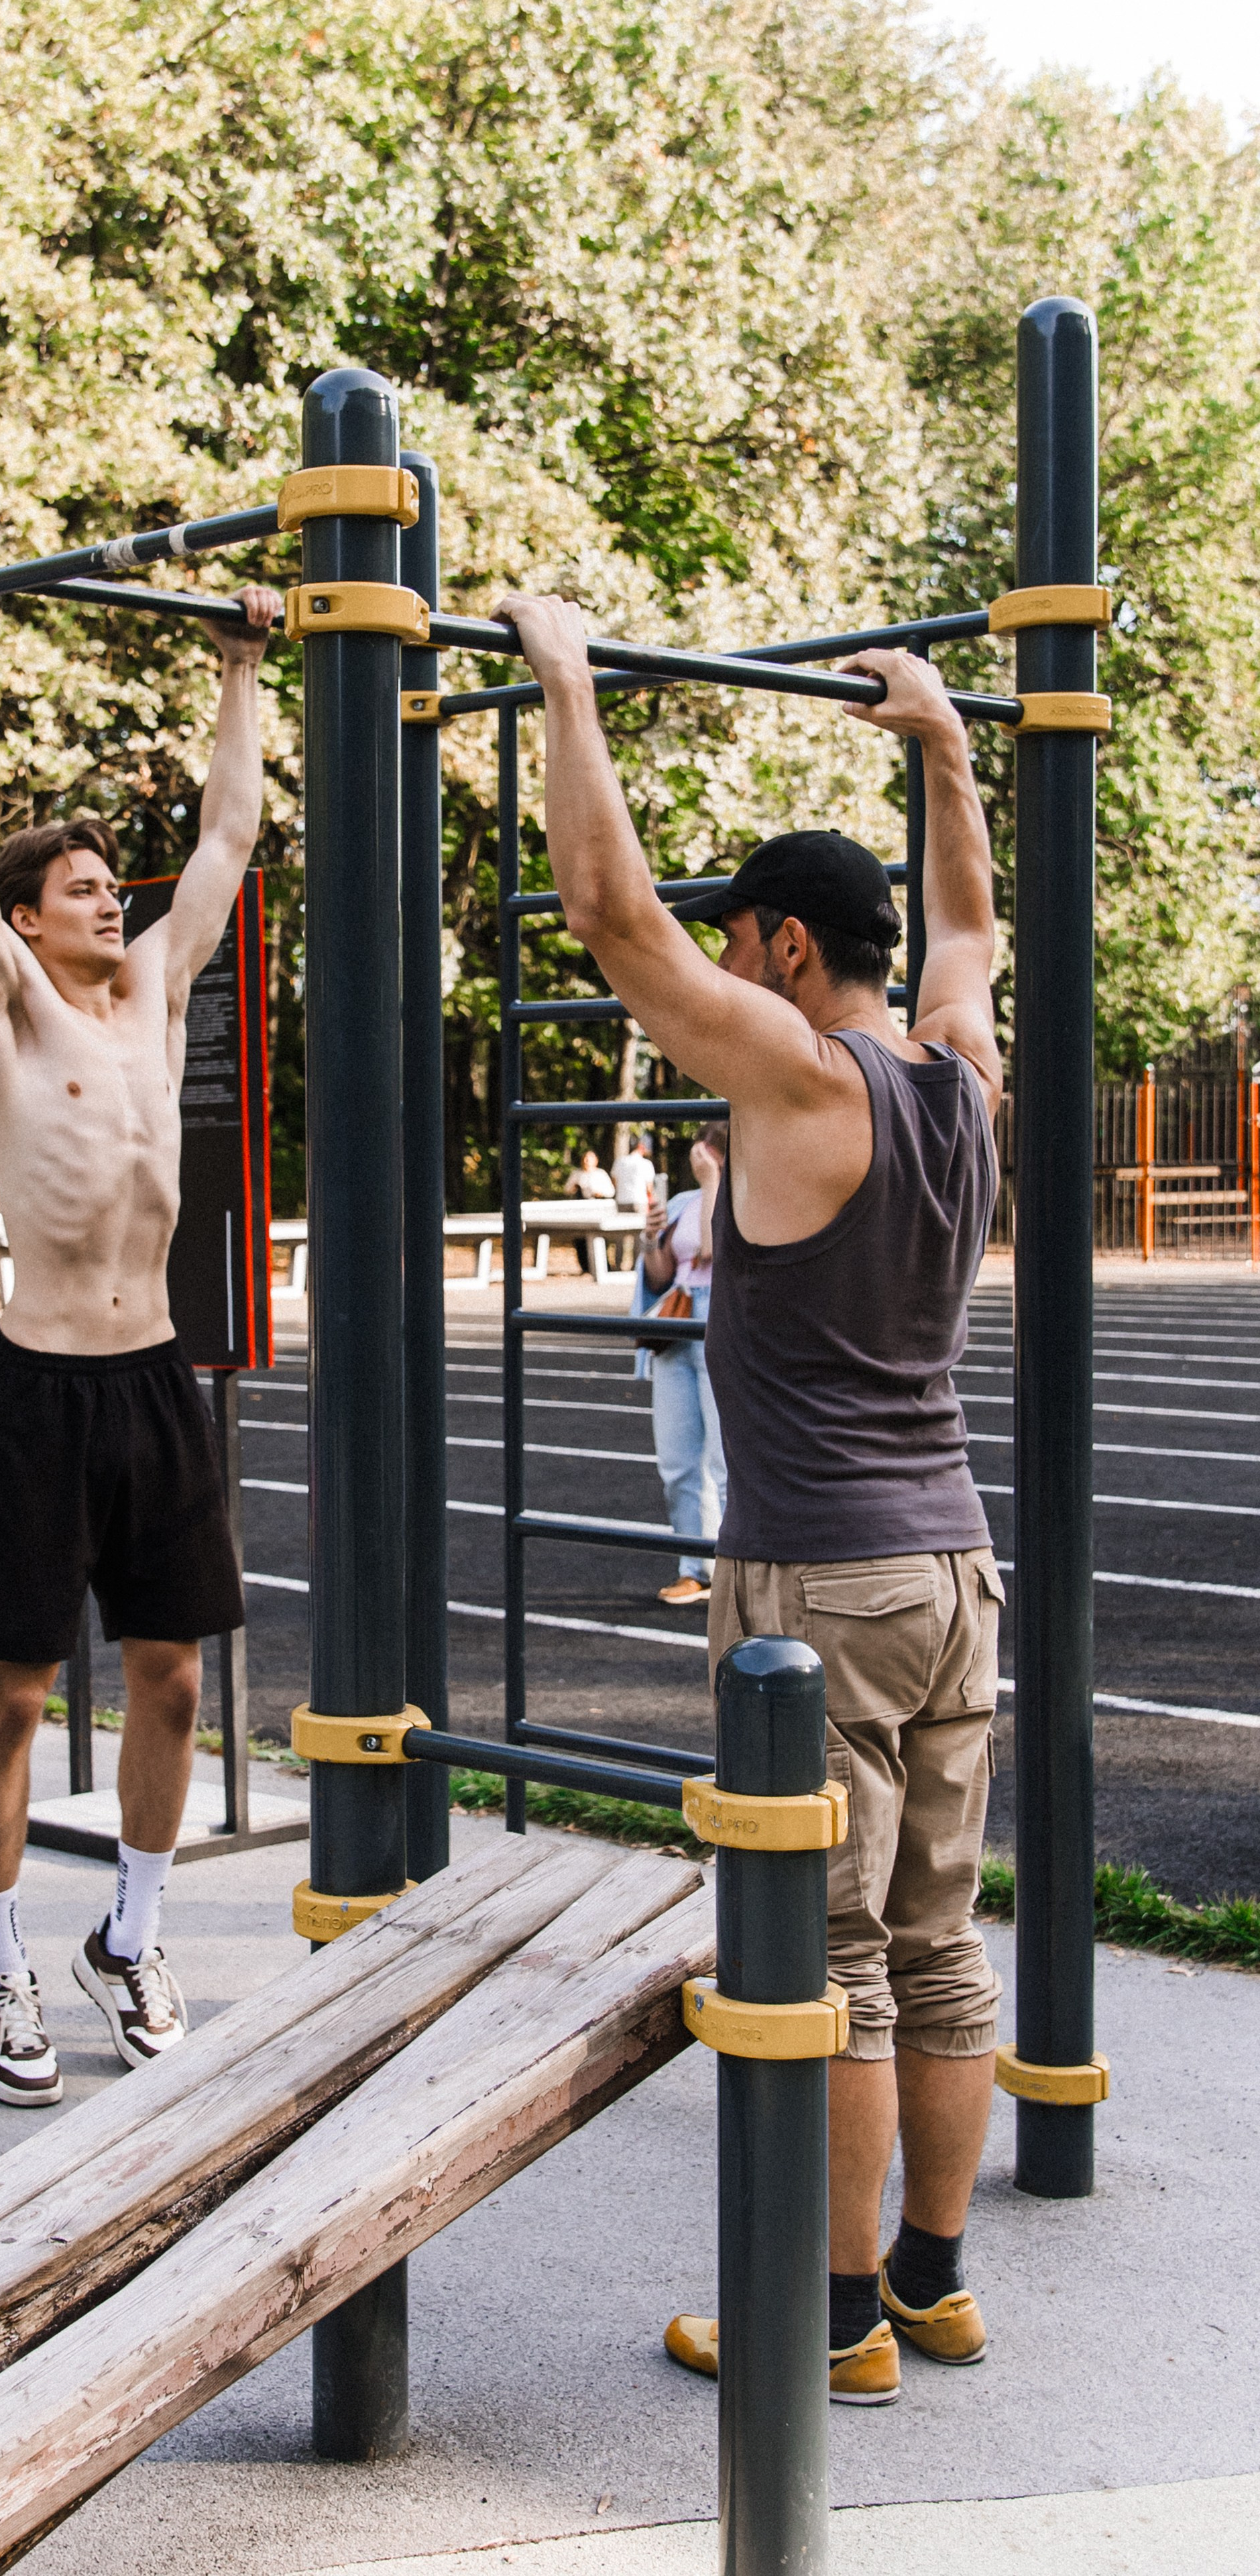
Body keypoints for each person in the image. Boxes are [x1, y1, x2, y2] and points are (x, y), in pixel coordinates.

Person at [498, 588, 1005, 2410]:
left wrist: (566, 676)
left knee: (843, 1962)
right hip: (954, 1567)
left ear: (786, 946)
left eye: (751, 944)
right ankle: (934, 2284)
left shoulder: (801, 1080)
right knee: (943, 1942)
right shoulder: (959, 1067)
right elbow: (973, 922)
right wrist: (945, 743)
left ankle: (840, 2313)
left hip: (824, 1584)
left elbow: (612, 923)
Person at [0, 535, 283, 2108]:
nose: (107, 895)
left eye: (110, 883)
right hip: (38, 1385)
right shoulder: (4, 998)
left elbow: (230, 828)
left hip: (149, 1378)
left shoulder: (161, 988)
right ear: (23, 917)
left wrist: (243, 666)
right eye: (76, 884)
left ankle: (128, 1935)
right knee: (13, 1692)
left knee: (175, 1675)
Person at [634, 1124, 727, 1606]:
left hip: (723, 1323)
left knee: (725, 1460)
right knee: (677, 1461)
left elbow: (716, 1250)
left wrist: (715, 1184)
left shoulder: (742, 1195)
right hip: (679, 1322)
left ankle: (735, 1571)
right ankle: (695, 1567)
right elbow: (659, 1275)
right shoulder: (685, 1202)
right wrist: (650, 1239)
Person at [564, 1143, 616, 1273]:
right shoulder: (577, 1174)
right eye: (585, 1158)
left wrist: (600, 1193)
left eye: (590, 1158)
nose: (587, 1161)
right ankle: (585, 1267)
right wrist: (575, 1188)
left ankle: (603, 1267)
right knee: (580, 1239)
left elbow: (611, 1191)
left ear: (596, 1161)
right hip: (580, 1209)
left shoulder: (601, 1174)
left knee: (599, 1238)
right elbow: (567, 1189)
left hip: (596, 1209)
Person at [610, 1130, 656, 1271]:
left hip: (622, 1200)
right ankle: (637, 1265)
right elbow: (649, 1188)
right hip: (639, 1201)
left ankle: (617, 1265)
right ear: (642, 1147)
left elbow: (615, 1182)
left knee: (619, 1234)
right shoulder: (646, 1164)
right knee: (639, 1235)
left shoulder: (620, 1161)